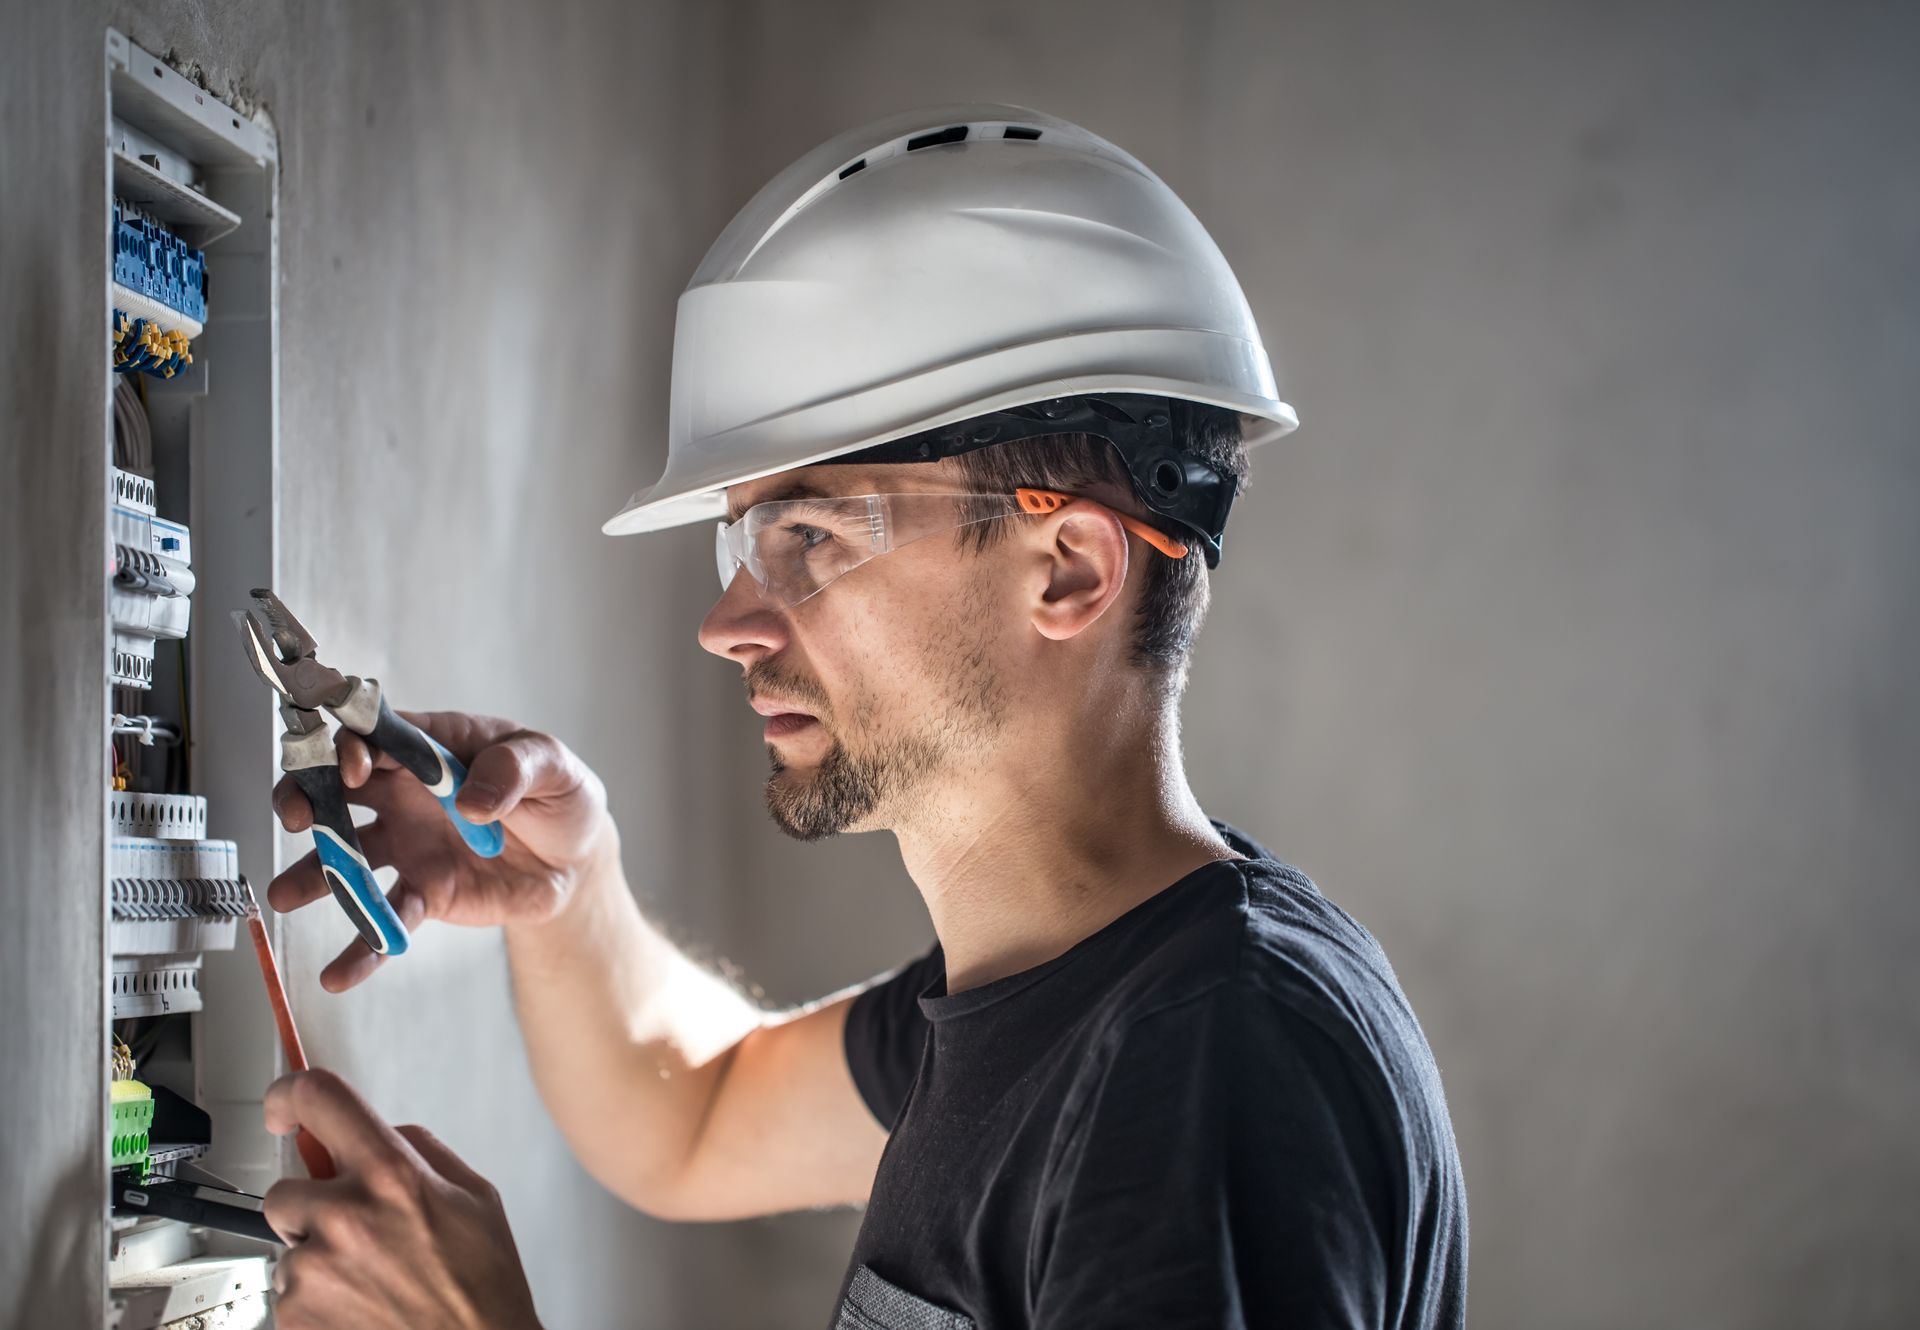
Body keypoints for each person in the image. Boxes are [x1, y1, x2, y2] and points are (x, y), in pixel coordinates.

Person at [259, 105, 1468, 1329]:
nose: (729, 619)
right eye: (742, 540)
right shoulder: (1051, 992)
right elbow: (697, 1115)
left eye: (812, 534)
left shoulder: (1201, 1068)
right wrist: (571, 892)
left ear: (1068, 570)